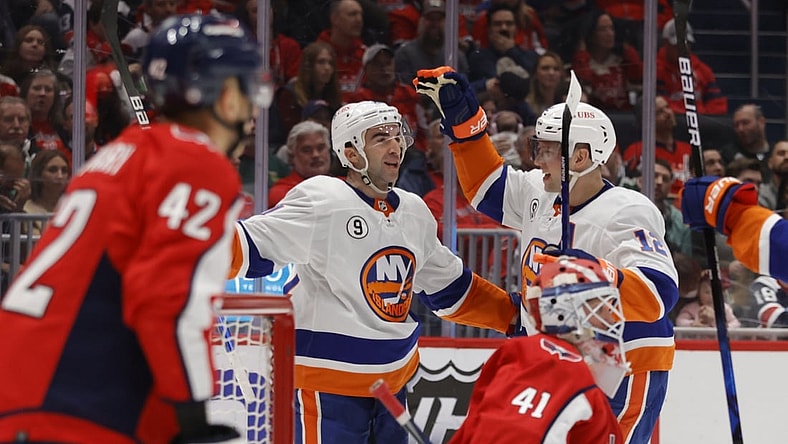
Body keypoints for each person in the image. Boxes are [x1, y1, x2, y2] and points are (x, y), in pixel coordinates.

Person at [0, 13, 271, 443]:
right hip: (77, 406)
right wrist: (194, 417)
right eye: (245, 90)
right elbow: (167, 298)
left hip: (28, 392)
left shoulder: (120, 154)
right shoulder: (194, 160)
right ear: (218, 94)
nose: (252, 111)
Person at [414, 66, 679, 443]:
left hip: (624, 364)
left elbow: (658, 295)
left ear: (583, 156)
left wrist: (587, 273)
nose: (538, 160)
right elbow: (487, 188)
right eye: (537, 148)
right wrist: (466, 127)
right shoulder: (540, 191)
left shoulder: (626, 210)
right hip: (557, 354)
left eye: (549, 151)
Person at [229, 100, 518, 444]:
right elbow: (250, 247)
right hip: (326, 388)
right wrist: (182, 231)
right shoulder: (322, 199)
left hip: (391, 388)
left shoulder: (413, 210)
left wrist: (516, 317)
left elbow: (450, 289)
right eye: (380, 137)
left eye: (397, 135)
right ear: (351, 153)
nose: (395, 145)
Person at [451, 256, 626, 443]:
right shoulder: (577, 378)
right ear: (564, 312)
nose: (610, 319)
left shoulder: (512, 352)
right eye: (600, 309)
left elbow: (472, 428)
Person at [571, 10, 642, 111]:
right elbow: (583, 82)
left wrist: (627, 48)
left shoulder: (621, 61)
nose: (610, 34)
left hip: (623, 116)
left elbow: (637, 76)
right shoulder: (582, 62)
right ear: (591, 34)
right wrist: (582, 53)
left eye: (612, 29)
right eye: (602, 29)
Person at [656, 18, 727, 116]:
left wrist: (703, 120)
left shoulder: (702, 70)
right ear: (665, 43)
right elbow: (660, 107)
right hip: (672, 123)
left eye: (686, 44)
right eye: (677, 45)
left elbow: (718, 104)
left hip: (700, 123)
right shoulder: (655, 70)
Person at [269, 120, 332, 207]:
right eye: (307, 150)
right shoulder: (283, 193)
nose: (315, 155)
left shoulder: (345, 184)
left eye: (321, 148)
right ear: (291, 157)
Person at [676, 270, 741, 328]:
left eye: (715, 292)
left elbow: (736, 323)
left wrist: (723, 326)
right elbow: (679, 321)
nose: (711, 296)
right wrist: (692, 324)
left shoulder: (724, 308)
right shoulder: (690, 308)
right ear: (699, 292)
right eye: (707, 292)